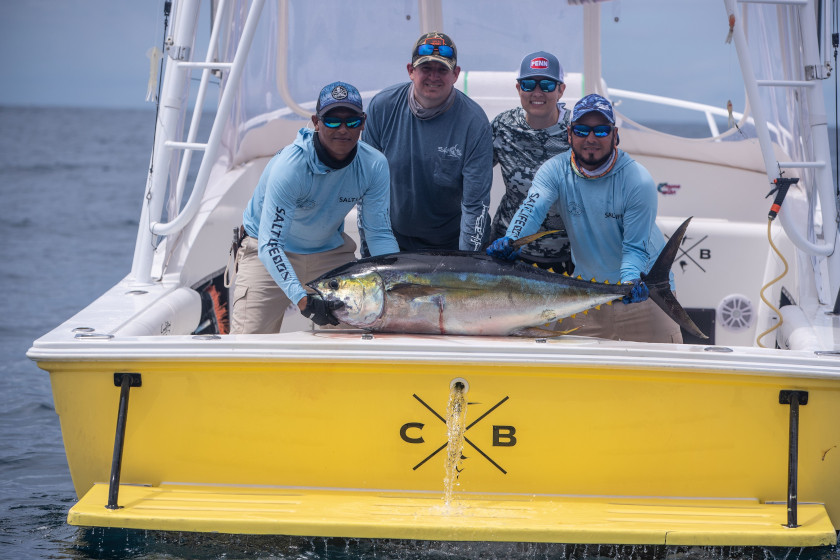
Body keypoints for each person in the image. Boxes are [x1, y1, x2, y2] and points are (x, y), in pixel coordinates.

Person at [486, 93, 682, 343]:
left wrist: (630, 281)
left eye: (601, 131)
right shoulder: (554, 169)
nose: (590, 138)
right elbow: (531, 209)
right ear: (569, 134)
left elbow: (634, 247)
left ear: (615, 135)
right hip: (587, 295)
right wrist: (512, 238)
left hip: (646, 295)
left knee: (663, 379)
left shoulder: (637, 179)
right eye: (581, 130)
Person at [229, 81, 399, 334]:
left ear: (363, 123)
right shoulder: (289, 167)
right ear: (316, 122)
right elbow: (270, 244)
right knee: (248, 347)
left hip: (329, 254)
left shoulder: (374, 164)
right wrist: (303, 299)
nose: (342, 129)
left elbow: (378, 233)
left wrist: (396, 283)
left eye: (351, 121)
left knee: (356, 339)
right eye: (332, 121)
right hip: (268, 253)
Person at [361, 31, 493, 253]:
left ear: (456, 74)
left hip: (453, 243)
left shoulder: (475, 122)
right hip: (393, 239)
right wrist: (369, 254)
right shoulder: (382, 107)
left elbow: (475, 206)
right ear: (411, 71)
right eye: (426, 69)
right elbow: (367, 191)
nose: (434, 77)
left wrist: (467, 262)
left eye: (442, 69)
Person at [490, 50, 573, 273]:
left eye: (546, 85)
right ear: (518, 88)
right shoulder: (503, 126)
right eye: (528, 85)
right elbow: (472, 174)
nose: (537, 92)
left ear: (561, 89)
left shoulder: (578, 131)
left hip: (564, 257)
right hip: (506, 251)